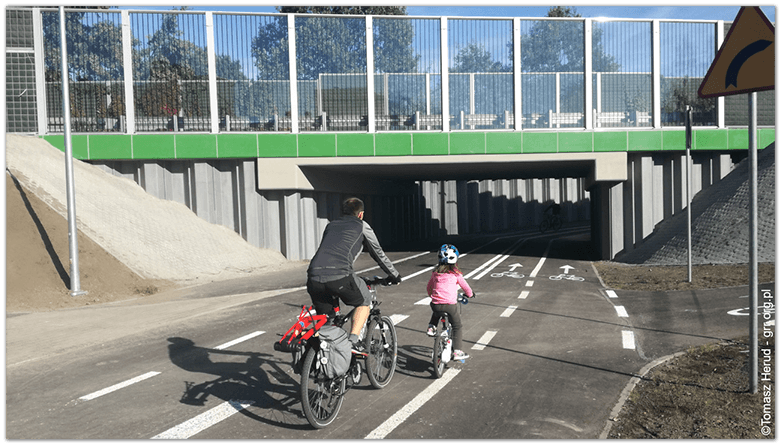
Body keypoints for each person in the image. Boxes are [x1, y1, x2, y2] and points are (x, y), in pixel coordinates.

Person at [307, 197, 402, 355]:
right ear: (361, 214)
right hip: (340, 275)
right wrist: (394, 275)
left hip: (313, 276)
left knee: (327, 320)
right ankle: (353, 342)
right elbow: (377, 253)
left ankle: (324, 358)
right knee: (364, 300)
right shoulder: (362, 226)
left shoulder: (330, 225)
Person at [426, 244, 474, 361]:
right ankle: (457, 351)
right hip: (450, 306)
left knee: (437, 310)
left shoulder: (435, 273)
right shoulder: (456, 274)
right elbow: (465, 287)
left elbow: (429, 287)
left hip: (436, 304)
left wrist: (432, 295)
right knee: (457, 326)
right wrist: (470, 294)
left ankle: (431, 327)